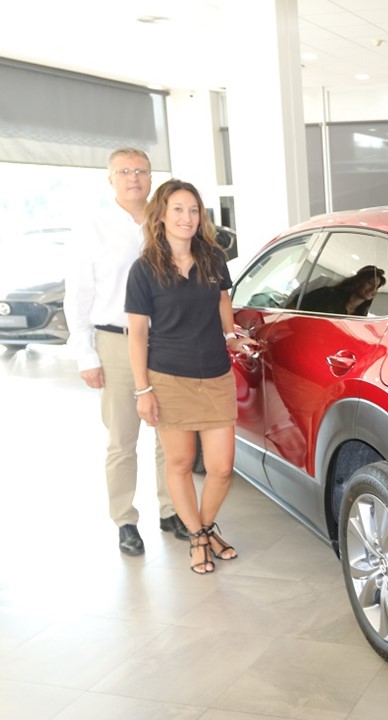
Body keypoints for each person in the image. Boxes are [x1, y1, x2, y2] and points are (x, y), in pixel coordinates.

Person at [125, 179, 256, 574]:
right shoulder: (144, 269)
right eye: (178, 209)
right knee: (180, 463)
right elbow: (138, 333)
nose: (187, 217)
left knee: (220, 467)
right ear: (162, 214)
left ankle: (201, 527)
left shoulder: (213, 257)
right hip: (167, 377)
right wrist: (143, 389)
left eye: (194, 210)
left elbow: (222, 301)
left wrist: (232, 337)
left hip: (215, 374)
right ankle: (200, 536)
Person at [64, 148, 188, 556]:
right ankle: (125, 521)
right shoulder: (92, 229)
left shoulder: (164, 221)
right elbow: (77, 296)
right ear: (111, 179)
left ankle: (171, 510)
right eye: (124, 171)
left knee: (169, 435)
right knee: (123, 437)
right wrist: (86, 356)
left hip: (166, 339)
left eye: (141, 171)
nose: (133, 177)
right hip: (115, 342)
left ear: (151, 177)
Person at [300, 265, 386, 316]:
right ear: (359, 281)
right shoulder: (328, 294)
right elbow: (293, 308)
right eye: (370, 283)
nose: (373, 289)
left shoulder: (360, 316)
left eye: (377, 287)